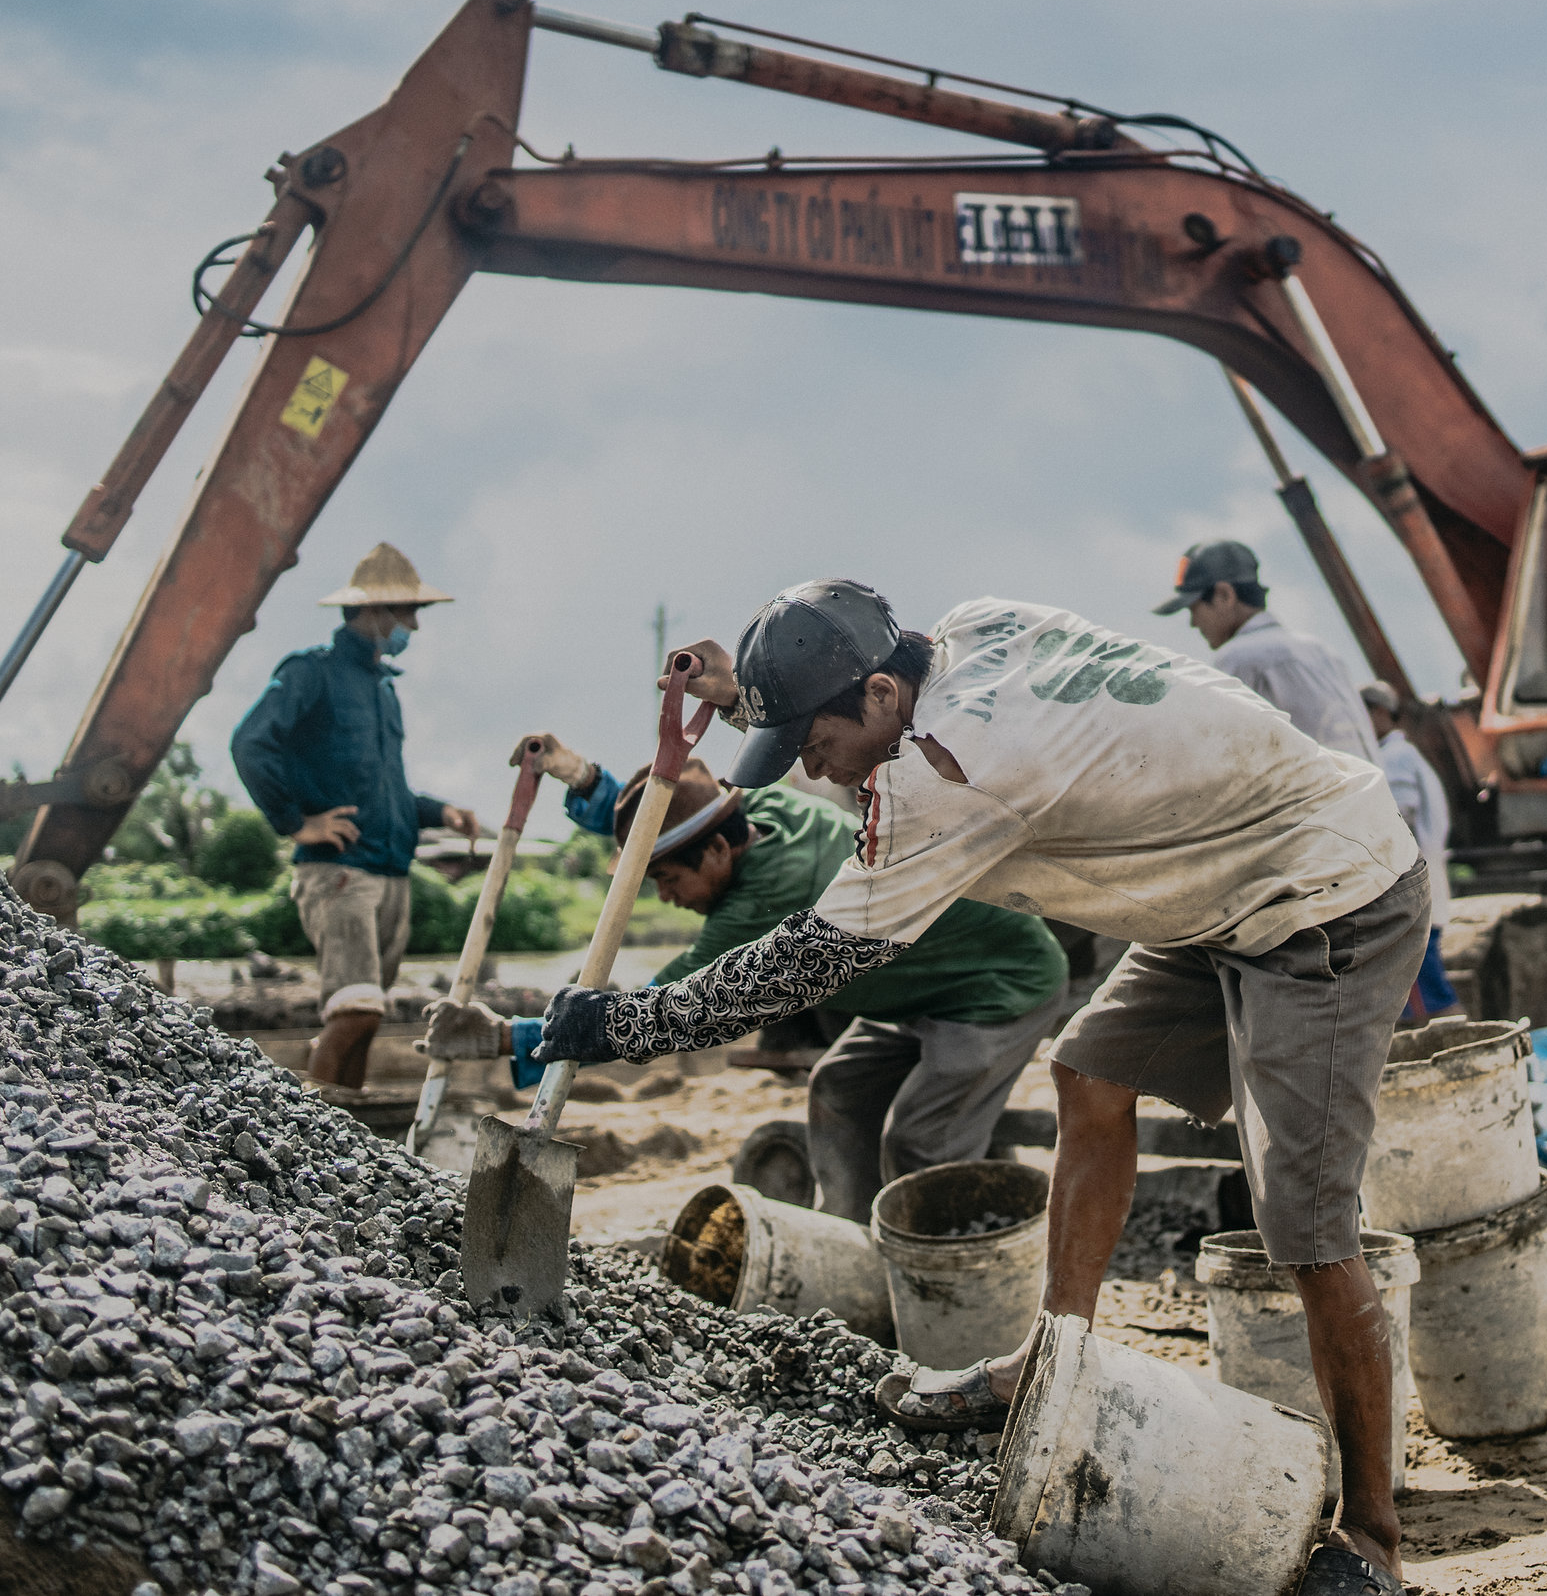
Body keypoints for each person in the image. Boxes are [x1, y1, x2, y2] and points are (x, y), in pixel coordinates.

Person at [533, 580, 1426, 1596]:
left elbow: (804, 964)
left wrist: (627, 1023)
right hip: (1219, 883)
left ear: (879, 692)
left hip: (1324, 892)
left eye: (812, 741)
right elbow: (845, 703)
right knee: (1088, 1072)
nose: (807, 769)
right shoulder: (972, 628)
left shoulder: (950, 777)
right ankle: (1053, 1361)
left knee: (1303, 1222)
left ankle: (1372, 1535)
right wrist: (752, 699)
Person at [509, 738, 1069, 1222]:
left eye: (668, 878)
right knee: (838, 1087)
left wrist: (513, 1039)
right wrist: (587, 781)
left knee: (922, 1141)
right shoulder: (758, 809)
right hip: (921, 989)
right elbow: (680, 808)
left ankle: (941, 1281)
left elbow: (667, 1009)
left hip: (996, 988)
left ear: (719, 851)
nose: (665, 897)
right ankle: (851, 1238)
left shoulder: (766, 898)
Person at [231, 543, 479, 1087]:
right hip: (341, 873)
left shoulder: (384, 690)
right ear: (370, 612)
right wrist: (297, 823)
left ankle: (344, 1129)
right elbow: (251, 744)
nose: (413, 624)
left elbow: (387, 794)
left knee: (366, 1019)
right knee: (355, 1010)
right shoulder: (311, 674)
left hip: (391, 872)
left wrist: (443, 813)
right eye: (405, 612)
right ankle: (308, 1135)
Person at [1156, 539, 1380, 764]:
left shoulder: (1239, 658)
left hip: (1325, 798)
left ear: (1225, 595)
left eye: (1194, 608)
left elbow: (1219, 757)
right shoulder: (1321, 651)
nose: (1193, 623)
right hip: (1376, 795)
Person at [1362, 682, 1458, 1020]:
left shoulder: (1394, 757)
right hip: (1419, 890)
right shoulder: (1401, 755)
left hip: (1410, 891)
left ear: (1378, 713)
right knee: (1419, 995)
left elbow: (1400, 817)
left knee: (1431, 995)